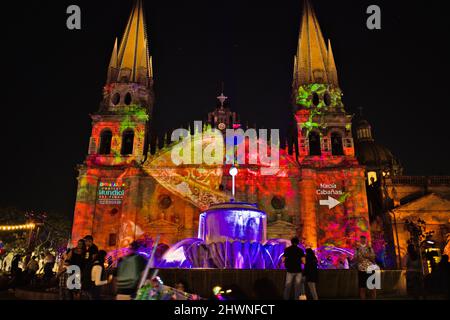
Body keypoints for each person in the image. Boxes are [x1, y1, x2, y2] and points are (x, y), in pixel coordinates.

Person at [355, 235, 377, 299]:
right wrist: (358, 259)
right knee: (362, 288)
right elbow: (355, 258)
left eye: (364, 239)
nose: (363, 240)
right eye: (362, 239)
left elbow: (373, 258)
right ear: (360, 240)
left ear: (366, 240)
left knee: (373, 288)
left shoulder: (370, 248)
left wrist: (367, 256)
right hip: (361, 270)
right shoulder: (357, 249)